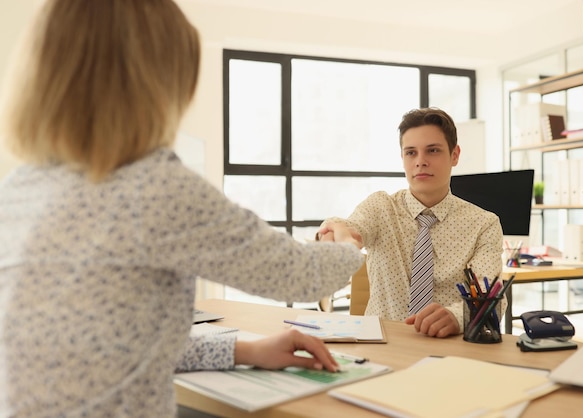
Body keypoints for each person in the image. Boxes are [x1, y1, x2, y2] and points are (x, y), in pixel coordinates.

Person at [0, 1, 364, 417]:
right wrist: (350, 244)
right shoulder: (153, 187)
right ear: (154, 87)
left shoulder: (18, 190)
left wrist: (246, 349)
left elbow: (109, 344)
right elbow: (301, 275)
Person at [318, 107, 504, 338]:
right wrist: (336, 233)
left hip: (449, 348)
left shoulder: (483, 224)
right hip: (381, 343)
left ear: (455, 155)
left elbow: (491, 300)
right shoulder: (381, 207)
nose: (420, 162)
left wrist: (457, 317)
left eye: (433, 150)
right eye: (411, 153)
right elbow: (350, 227)